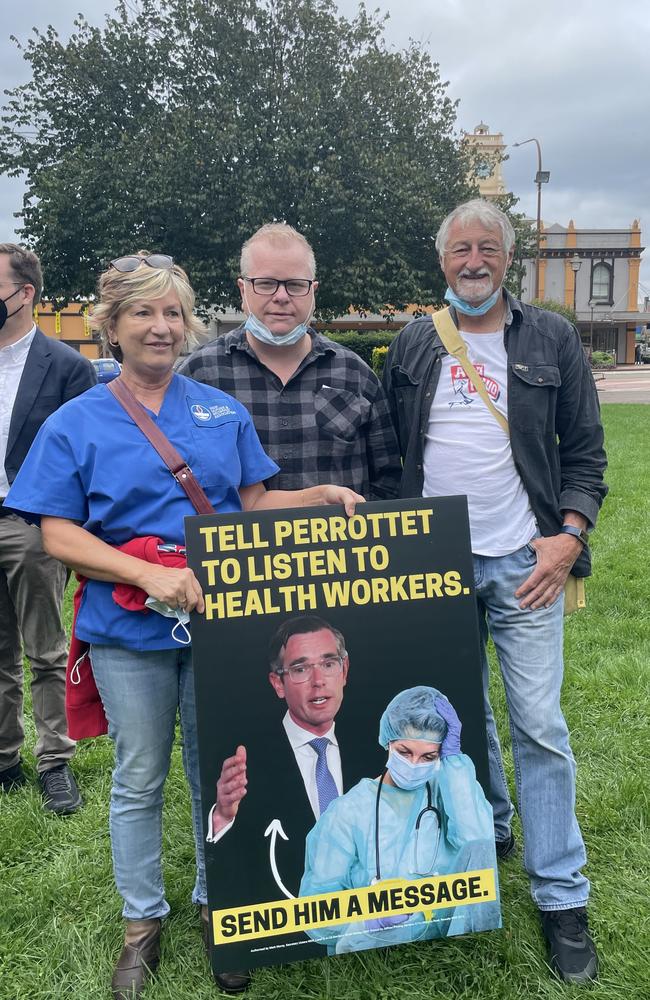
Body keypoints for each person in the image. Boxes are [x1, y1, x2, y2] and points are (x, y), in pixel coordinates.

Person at [5, 252, 363, 1000]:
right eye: (143, 313)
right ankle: (142, 924)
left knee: (220, 771)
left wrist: (317, 495)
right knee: (140, 776)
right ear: (111, 325)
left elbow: (254, 503)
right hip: (125, 629)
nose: (161, 327)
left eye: (173, 313)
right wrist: (145, 573)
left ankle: (221, 906)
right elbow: (55, 533)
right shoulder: (77, 420)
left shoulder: (217, 411)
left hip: (221, 627)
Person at [382, 199, 608, 984]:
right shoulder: (411, 343)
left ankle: (560, 895)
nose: (473, 261)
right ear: (441, 259)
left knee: (538, 723)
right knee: (461, 716)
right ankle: (497, 829)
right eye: (459, 249)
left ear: (507, 259)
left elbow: (585, 449)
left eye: (487, 249)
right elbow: (392, 458)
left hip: (524, 561)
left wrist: (568, 535)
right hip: (435, 564)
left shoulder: (549, 337)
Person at [178, 222, 401, 500]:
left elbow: (389, 481)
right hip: (239, 543)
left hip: (338, 543)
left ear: (313, 292)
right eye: (266, 284)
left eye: (295, 285)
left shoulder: (356, 375)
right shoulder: (198, 376)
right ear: (243, 290)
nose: (281, 297)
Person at [205, 616, 366, 986]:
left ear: (345, 670)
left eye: (328, 663)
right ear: (277, 683)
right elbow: (239, 859)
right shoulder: (243, 758)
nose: (317, 680)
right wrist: (224, 816)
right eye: (299, 669)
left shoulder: (383, 747)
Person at [0, 243, 95, 813]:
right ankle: (6, 757)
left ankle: (55, 760)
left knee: (44, 649)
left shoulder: (66, 367)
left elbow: (84, 457)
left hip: (31, 525)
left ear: (25, 292)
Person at [300, 686, 498, 954]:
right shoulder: (348, 811)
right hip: (378, 940)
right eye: (405, 752)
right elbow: (315, 911)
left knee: (481, 846)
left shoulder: (449, 789)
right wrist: (372, 917)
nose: (415, 764)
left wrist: (454, 764)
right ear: (388, 742)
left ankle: (474, 955)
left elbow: (480, 846)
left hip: (449, 931)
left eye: (429, 756)